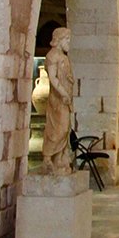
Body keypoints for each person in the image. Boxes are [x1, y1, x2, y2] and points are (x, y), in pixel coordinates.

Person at [42, 27, 74, 175]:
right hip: (58, 99)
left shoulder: (64, 57)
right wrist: (63, 93)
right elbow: (53, 79)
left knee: (66, 128)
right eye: (67, 40)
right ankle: (48, 157)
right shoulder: (52, 56)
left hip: (65, 97)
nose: (69, 42)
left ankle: (59, 157)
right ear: (59, 40)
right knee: (58, 128)